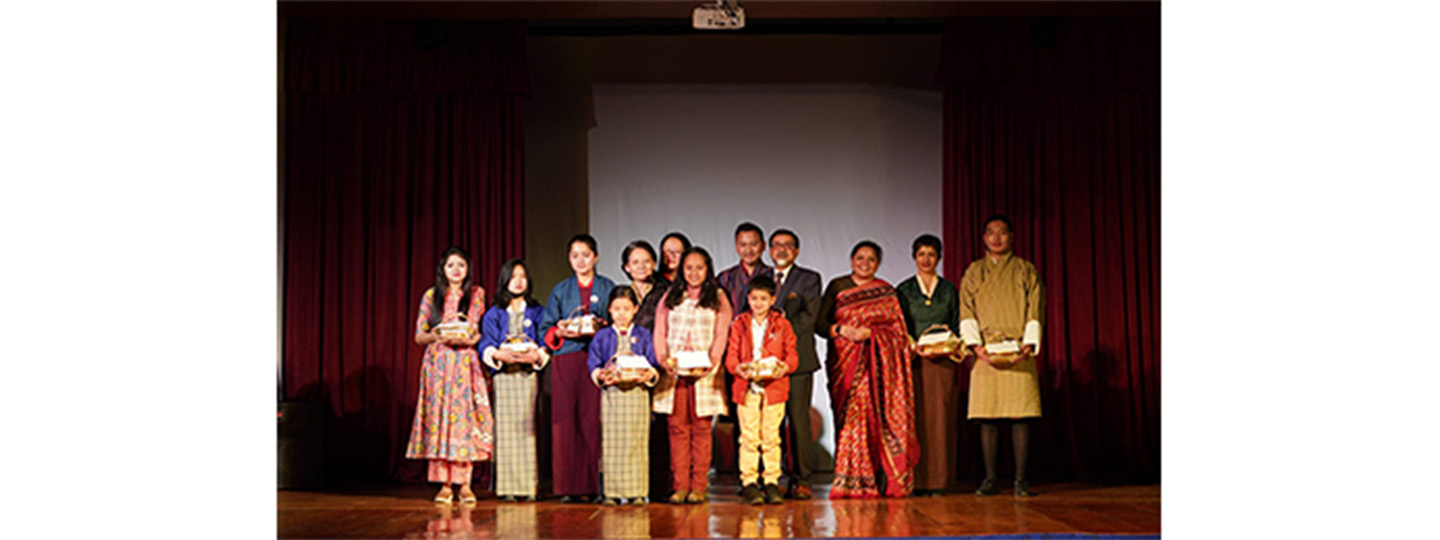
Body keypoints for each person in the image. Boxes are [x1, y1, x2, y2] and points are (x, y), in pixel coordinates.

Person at [817, 241, 919, 499]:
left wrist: (871, 334)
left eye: (871, 259)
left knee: (875, 421)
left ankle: (878, 478)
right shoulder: (837, 286)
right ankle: (849, 478)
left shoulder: (886, 291)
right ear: (851, 261)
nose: (865, 263)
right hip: (845, 363)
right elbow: (820, 324)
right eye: (860, 258)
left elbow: (898, 332)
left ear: (878, 264)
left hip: (878, 368)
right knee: (849, 420)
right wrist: (843, 330)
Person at [959, 215, 1045, 498]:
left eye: (1002, 233)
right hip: (986, 351)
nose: (996, 238)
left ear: (1011, 236)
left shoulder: (1025, 269)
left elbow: (1035, 307)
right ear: (983, 238)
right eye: (991, 233)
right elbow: (967, 309)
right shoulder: (974, 271)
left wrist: (1028, 343)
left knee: (1021, 415)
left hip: (1019, 348)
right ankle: (990, 478)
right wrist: (976, 347)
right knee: (987, 416)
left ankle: (1021, 479)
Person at [405, 246, 494, 504]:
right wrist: (438, 335)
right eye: (451, 265)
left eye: (461, 265)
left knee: (465, 422)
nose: (456, 270)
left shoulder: (476, 294)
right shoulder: (432, 295)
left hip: (465, 363)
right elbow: (419, 335)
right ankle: (444, 484)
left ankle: (465, 483)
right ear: (443, 269)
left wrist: (468, 337)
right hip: (439, 365)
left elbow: (477, 332)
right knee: (440, 420)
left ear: (468, 270)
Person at [539, 234, 617, 503]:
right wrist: (559, 329)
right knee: (565, 423)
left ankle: (595, 485)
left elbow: (619, 319)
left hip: (597, 361)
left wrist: (603, 325)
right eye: (575, 256)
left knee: (593, 422)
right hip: (567, 361)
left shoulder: (607, 287)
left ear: (596, 256)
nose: (581, 260)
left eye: (586, 254)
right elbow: (546, 328)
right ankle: (567, 487)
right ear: (569, 259)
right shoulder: (561, 290)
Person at [652, 247, 733, 504]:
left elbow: (722, 333)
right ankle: (680, 487)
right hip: (674, 373)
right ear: (681, 270)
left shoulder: (718, 297)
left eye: (699, 267)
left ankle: (699, 486)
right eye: (689, 268)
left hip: (705, 373)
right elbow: (659, 331)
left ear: (707, 269)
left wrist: (712, 362)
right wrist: (664, 360)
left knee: (701, 429)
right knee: (677, 429)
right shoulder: (670, 296)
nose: (694, 273)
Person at [896, 234, 962, 496]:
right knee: (916, 419)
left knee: (941, 420)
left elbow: (958, 321)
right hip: (915, 361)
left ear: (939, 258)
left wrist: (949, 343)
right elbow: (900, 326)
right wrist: (914, 345)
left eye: (931, 254)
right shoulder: (904, 290)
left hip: (943, 362)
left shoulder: (948, 289)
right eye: (921, 254)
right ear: (914, 257)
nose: (926, 259)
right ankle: (917, 480)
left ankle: (940, 481)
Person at [478, 259, 550, 502]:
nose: (518, 281)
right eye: (513, 276)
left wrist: (537, 355)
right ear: (504, 281)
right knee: (506, 431)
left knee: (527, 428)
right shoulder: (495, 312)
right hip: (504, 378)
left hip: (527, 376)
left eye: (522, 276)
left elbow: (545, 341)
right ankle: (507, 487)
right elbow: (486, 343)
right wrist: (497, 354)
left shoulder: (537, 311)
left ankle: (529, 486)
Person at [725, 276, 799, 505]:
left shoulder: (782, 324)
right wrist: (738, 368)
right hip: (746, 387)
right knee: (748, 437)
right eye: (754, 298)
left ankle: (771, 482)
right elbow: (731, 357)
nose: (758, 303)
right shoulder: (739, 324)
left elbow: (792, 355)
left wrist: (784, 367)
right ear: (748, 298)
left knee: (771, 437)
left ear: (772, 300)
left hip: (774, 388)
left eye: (763, 299)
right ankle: (748, 482)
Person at [587, 287, 662, 506]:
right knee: (613, 442)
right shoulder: (602, 336)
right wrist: (600, 375)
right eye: (617, 309)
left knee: (637, 442)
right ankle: (612, 492)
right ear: (609, 309)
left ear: (635, 310)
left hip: (637, 395)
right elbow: (594, 362)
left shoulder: (643, 334)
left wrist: (650, 374)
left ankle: (638, 492)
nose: (621, 314)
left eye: (626, 309)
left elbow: (653, 362)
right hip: (612, 396)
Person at [767, 228, 823, 500]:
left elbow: (808, 318)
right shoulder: (761, 279)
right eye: (776, 245)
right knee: (773, 423)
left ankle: (803, 480)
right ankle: (776, 477)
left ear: (797, 251)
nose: (781, 250)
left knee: (799, 421)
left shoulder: (809, 279)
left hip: (797, 361)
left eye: (788, 245)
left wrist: (777, 336)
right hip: (767, 364)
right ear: (769, 250)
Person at [716, 222, 774, 317]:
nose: (748, 250)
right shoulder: (725, 278)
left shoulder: (773, 275)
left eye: (754, 244)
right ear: (736, 247)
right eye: (743, 245)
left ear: (763, 245)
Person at [621, 240, 670, 331]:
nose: (641, 266)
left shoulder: (665, 292)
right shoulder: (622, 294)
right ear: (627, 267)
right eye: (635, 262)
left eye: (646, 261)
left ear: (654, 264)